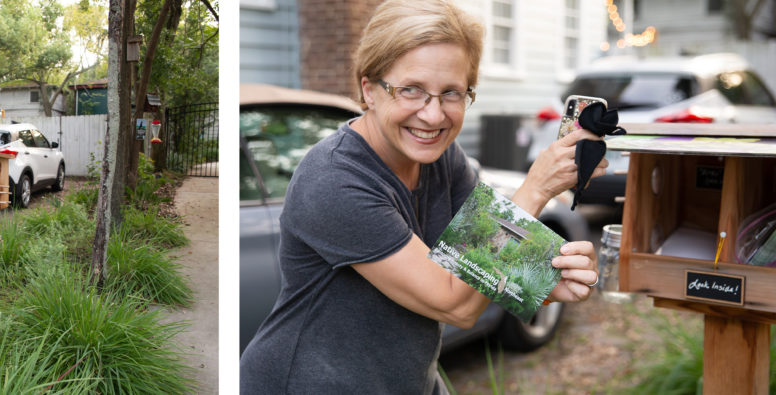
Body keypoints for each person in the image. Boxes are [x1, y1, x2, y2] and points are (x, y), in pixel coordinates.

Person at [239, 0, 607, 393]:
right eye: (411, 90)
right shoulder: (333, 179)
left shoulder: (442, 157)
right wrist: (535, 189)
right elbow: (455, 303)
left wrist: (544, 280)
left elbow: (478, 257)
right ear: (369, 90)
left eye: (451, 93)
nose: (433, 117)